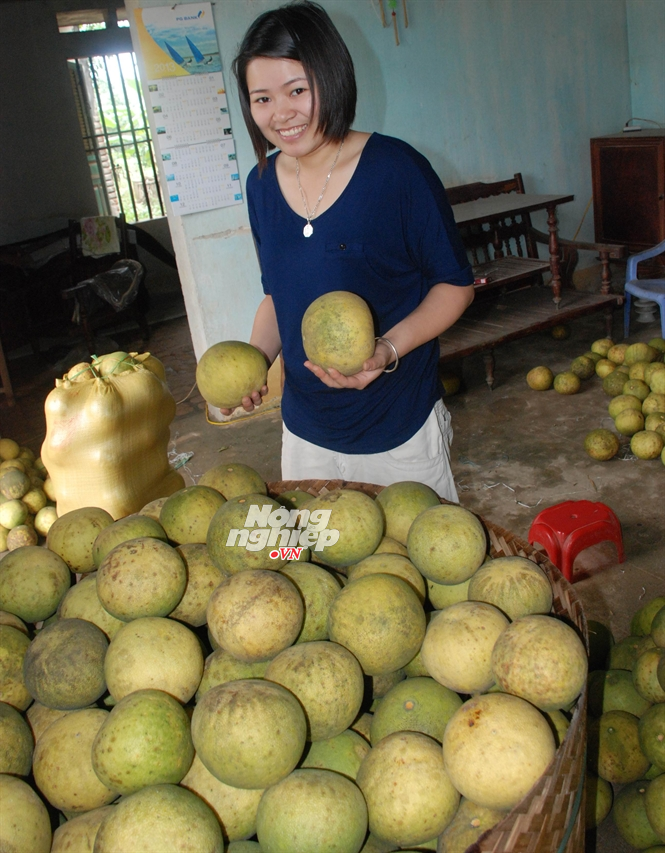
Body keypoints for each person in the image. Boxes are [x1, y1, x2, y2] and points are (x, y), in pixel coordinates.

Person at [229, 0, 474, 501]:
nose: (281, 114)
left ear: (332, 77)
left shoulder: (396, 169)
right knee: (310, 560)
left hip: (397, 425)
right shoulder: (260, 186)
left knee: (413, 566)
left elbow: (455, 286)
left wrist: (385, 350)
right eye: (262, 99)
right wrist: (253, 364)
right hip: (304, 433)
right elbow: (279, 297)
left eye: (297, 90)